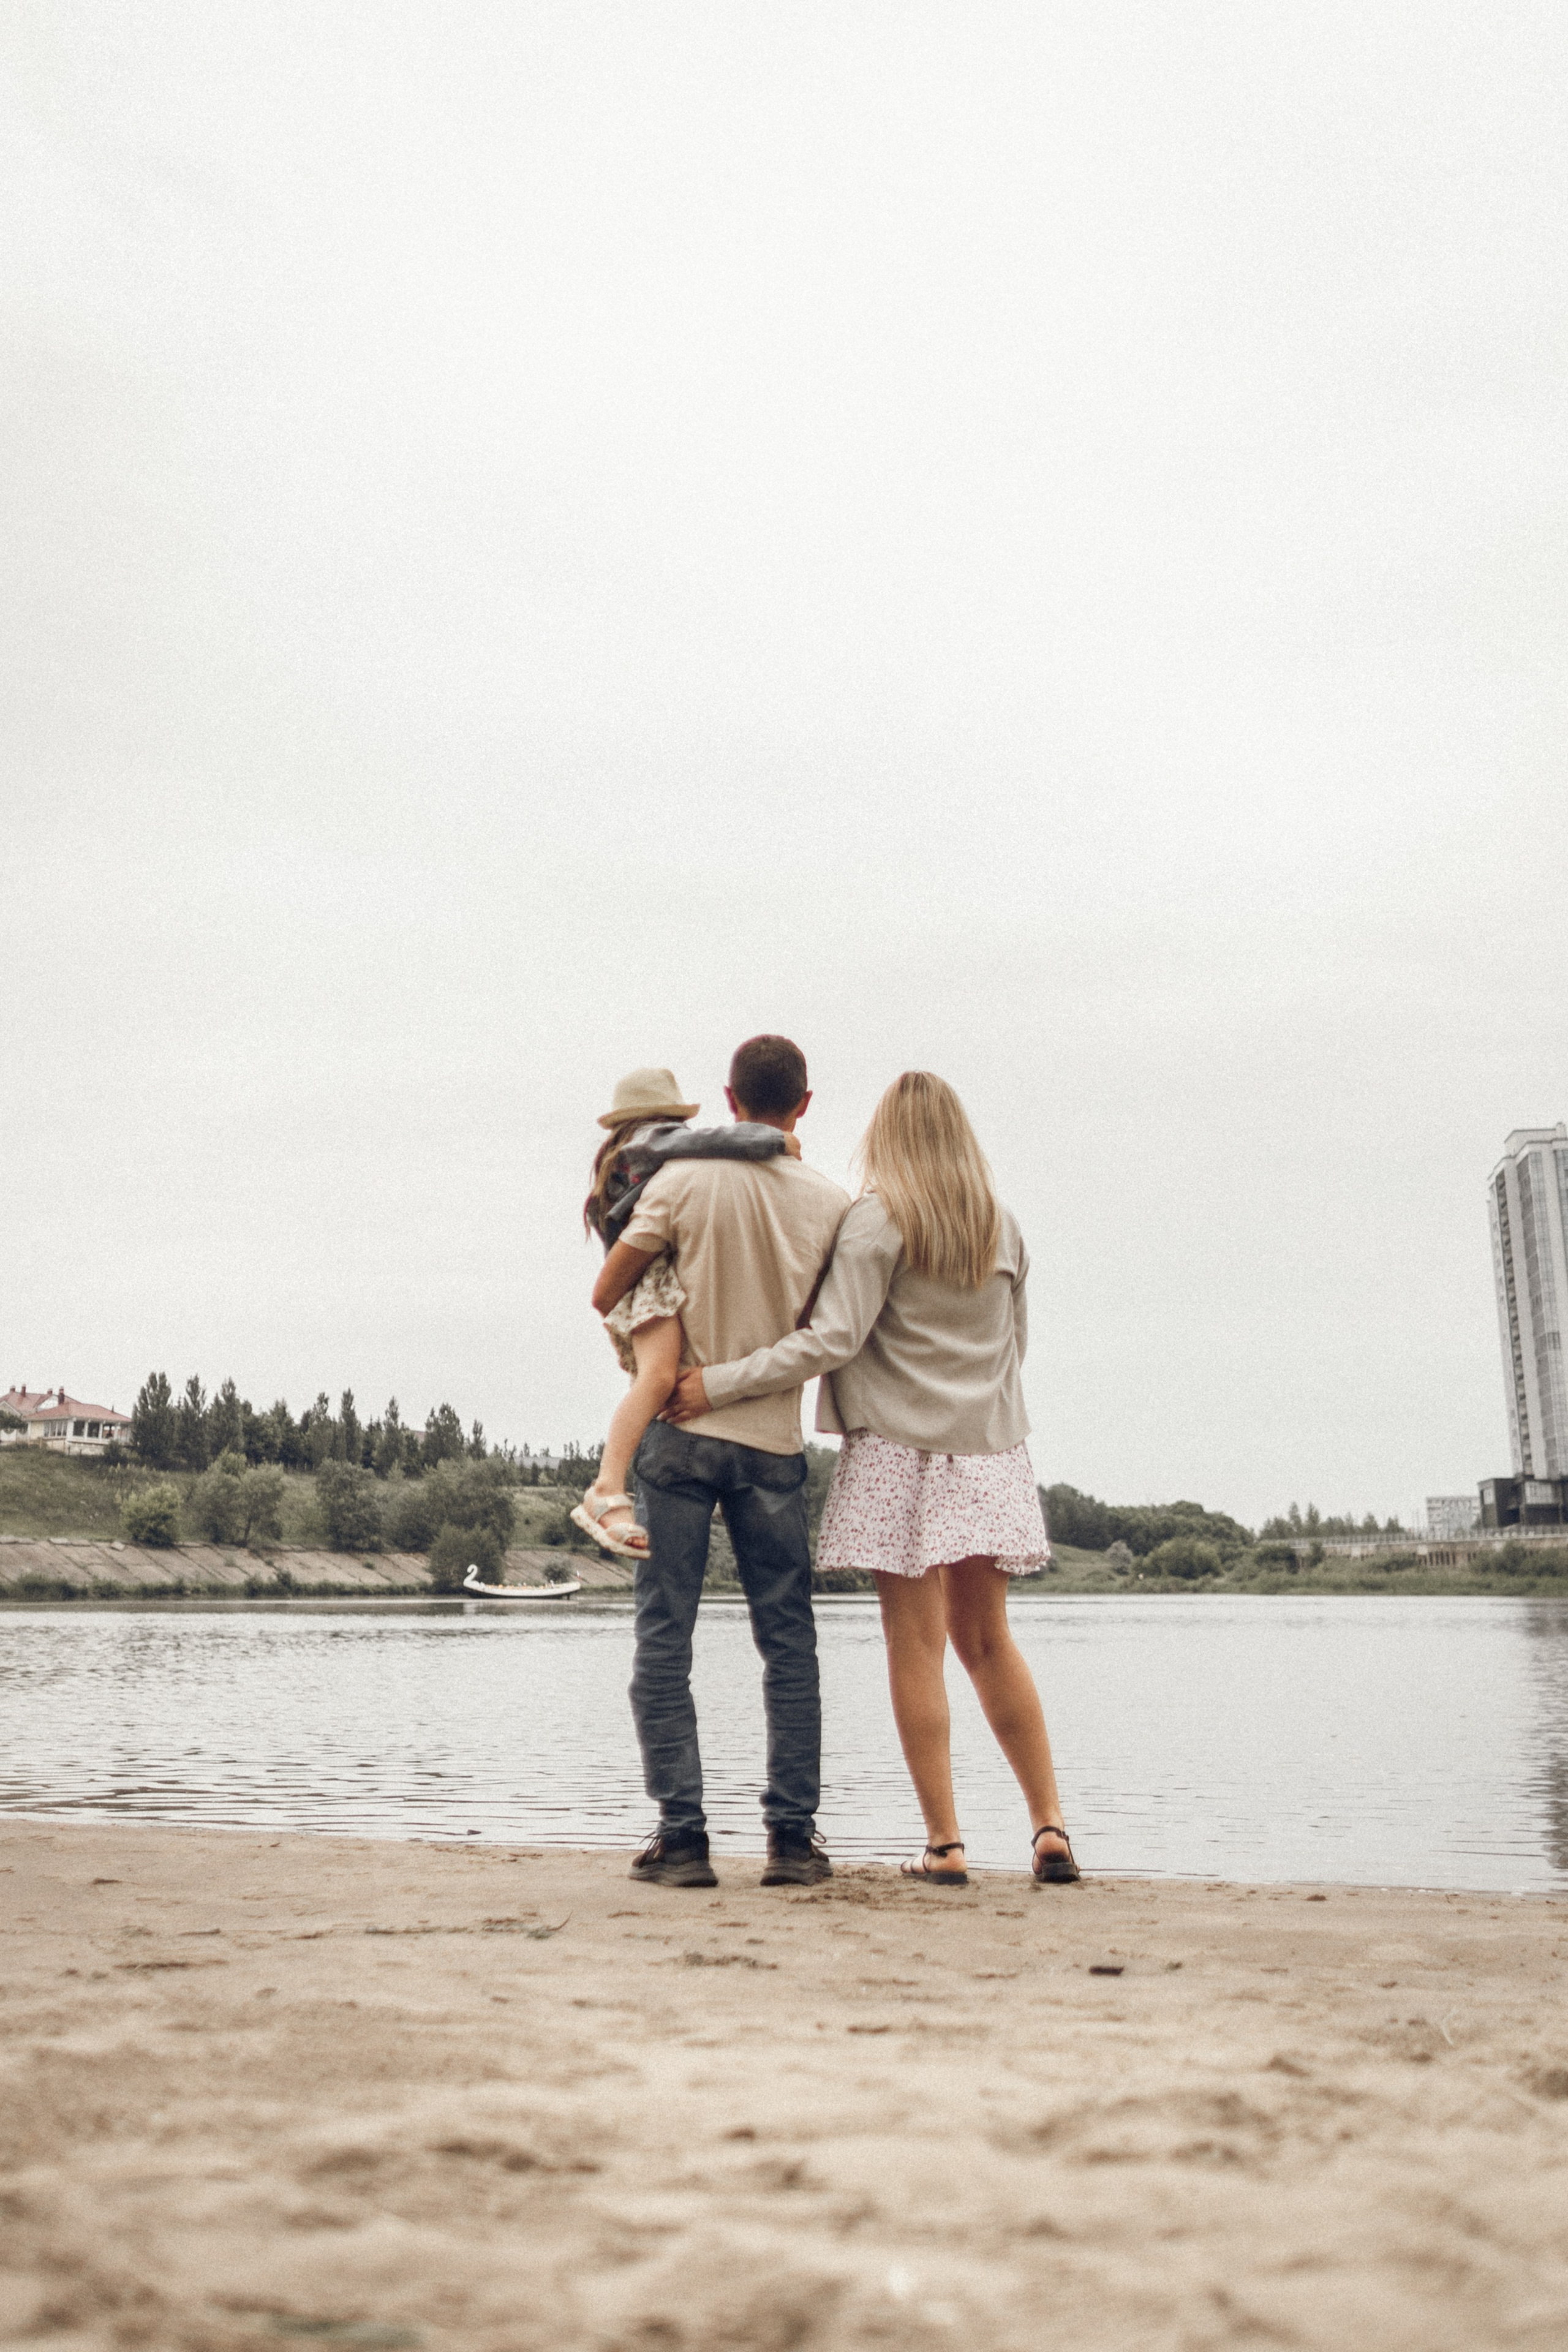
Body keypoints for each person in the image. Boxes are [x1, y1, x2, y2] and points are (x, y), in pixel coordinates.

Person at [666, 1069, 1079, 1890]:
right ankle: (1050, 1827)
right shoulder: (1005, 1230)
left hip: (898, 1451)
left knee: (916, 1649)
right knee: (990, 1644)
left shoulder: (878, 1221)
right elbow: (1014, 1351)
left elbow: (831, 1341)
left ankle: (947, 1845)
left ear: (887, 1137)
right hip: (991, 1452)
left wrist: (718, 1381)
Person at [592, 1035, 849, 1889]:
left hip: (679, 1434)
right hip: (773, 1442)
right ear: (802, 1106)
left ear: (729, 1099)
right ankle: (790, 1843)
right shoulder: (828, 1200)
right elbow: (826, 1331)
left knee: (666, 1636)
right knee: (789, 1644)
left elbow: (617, 1283)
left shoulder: (679, 1182)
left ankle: (684, 1839)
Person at [575, 1065, 798, 1559]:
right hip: (651, 1278)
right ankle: (606, 1488)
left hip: (651, 1279)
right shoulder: (655, 1143)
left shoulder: (624, 1155)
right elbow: (721, 1141)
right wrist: (771, 1143)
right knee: (657, 1380)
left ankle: (686, 1485)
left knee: (658, 1379)